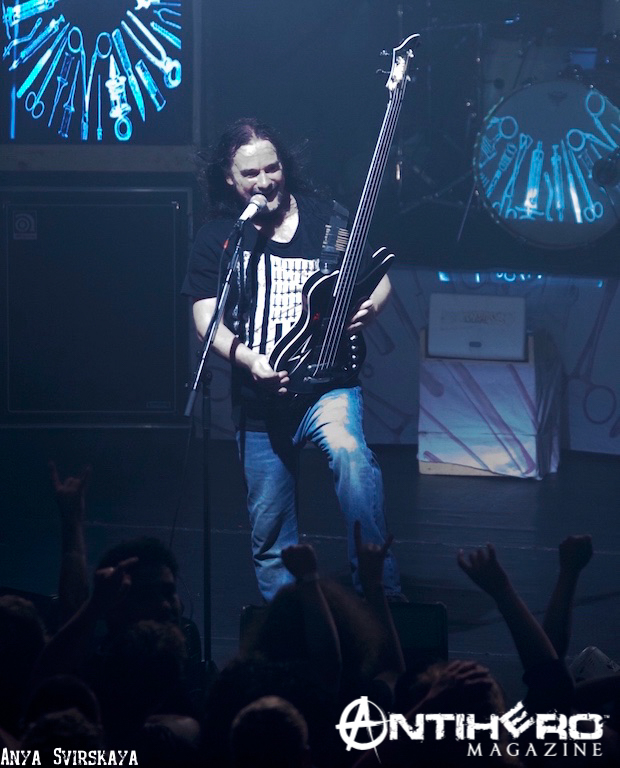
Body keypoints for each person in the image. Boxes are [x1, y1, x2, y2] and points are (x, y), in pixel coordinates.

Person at [182, 117, 402, 601]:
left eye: (272, 168)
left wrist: (371, 307)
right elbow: (205, 318)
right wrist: (248, 361)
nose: (265, 182)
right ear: (230, 180)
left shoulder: (329, 220)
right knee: (270, 527)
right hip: (260, 399)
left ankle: (381, 592)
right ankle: (285, 617)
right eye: (250, 174)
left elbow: (379, 276)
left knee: (353, 460)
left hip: (328, 385)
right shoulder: (220, 237)